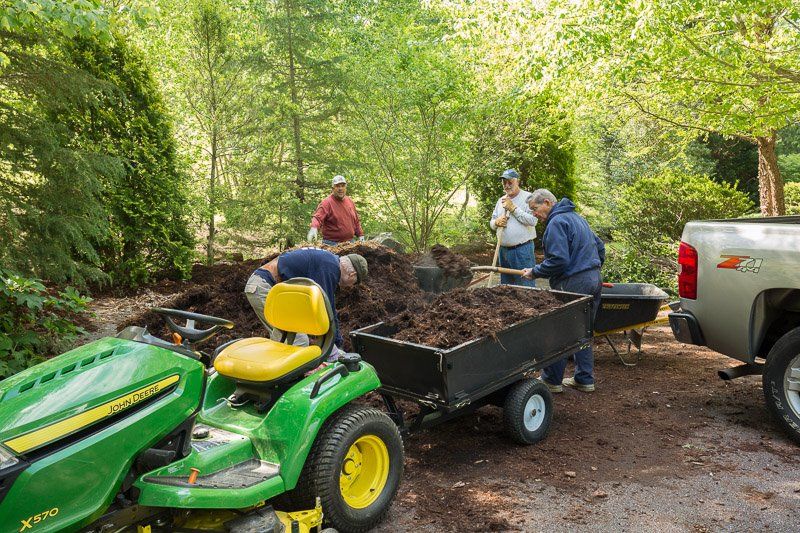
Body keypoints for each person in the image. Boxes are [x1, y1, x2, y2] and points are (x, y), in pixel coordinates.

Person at [521, 189, 605, 393]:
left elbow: (558, 260)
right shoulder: (577, 218)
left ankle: (551, 380)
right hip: (594, 280)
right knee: (583, 330)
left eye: (535, 208)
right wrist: (591, 269)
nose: (534, 214)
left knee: (558, 332)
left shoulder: (556, 222)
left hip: (572, 283)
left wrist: (535, 272)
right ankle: (584, 379)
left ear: (547, 203)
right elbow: (600, 247)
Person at [244, 248, 368, 358]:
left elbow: (318, 307)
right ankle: (288, 376)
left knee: (286, 338)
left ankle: (278, 369)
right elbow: (326, 310)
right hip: (263, 287)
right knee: (298, 340)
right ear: (352, 275)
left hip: (267, 287)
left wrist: (333, 342)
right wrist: (335, 345)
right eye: (354, 283)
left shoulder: (328, 262)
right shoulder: (330, 268)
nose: (350, 286)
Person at [489, 168, 537, 287]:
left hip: (522, 250)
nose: (507, 185)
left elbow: (533, 221)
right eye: (504, 182)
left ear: (517, 182)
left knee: (526, 287)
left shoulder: (528, 198)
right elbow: (492, 222)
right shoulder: (500, 200)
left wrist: (513, 209)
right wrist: (496, 222)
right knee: (507, 288)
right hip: (503, 251)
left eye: (510, 182)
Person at [308, 175, 365, 246]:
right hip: (331, 244)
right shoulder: (327, 202)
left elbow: (356, 221)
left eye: (343, 186)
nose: (340, 188)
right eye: (337, 186)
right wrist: (314, 227)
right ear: (333, 188)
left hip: (350, 243)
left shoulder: (350, 201)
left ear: (345, 188)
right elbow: (317, 217)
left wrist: (360, 235)